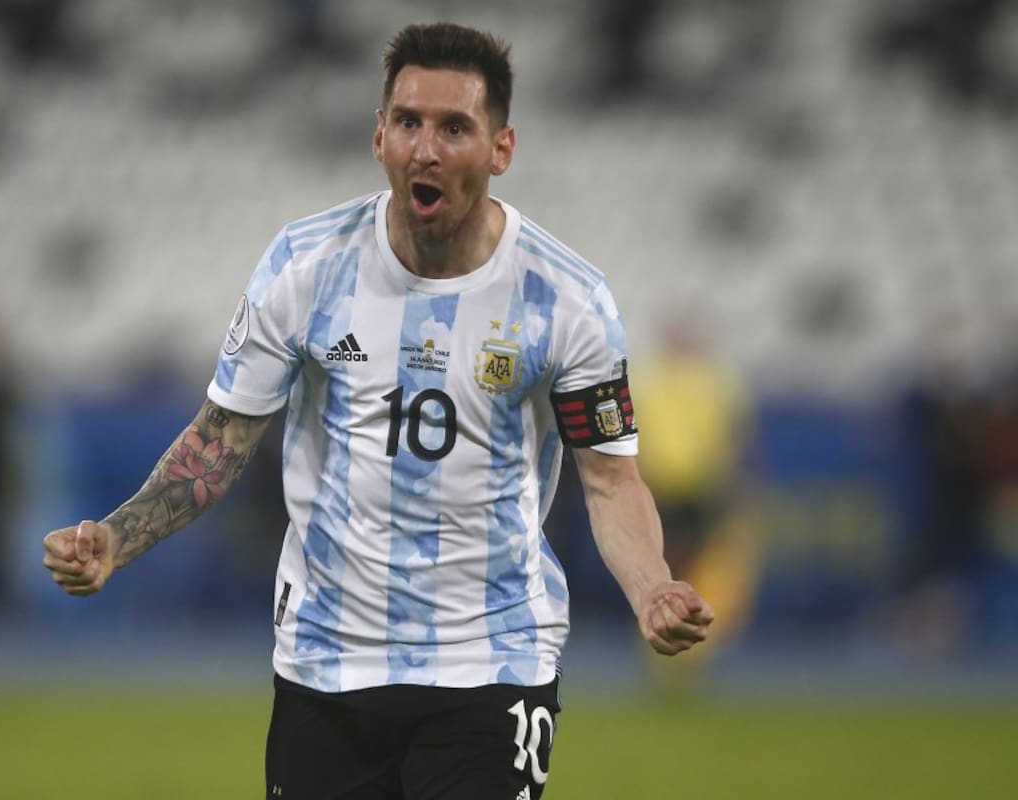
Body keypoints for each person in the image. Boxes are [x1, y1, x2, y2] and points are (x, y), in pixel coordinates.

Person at [43, 22, 714, 799]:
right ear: (379, 137)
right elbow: (220, 441)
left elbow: (610, 482)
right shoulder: (306, 267)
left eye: (454, 127)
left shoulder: (566, 300)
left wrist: (651, 586)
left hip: (491, 660)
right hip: (328, 659)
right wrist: (116, 540)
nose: (425, 148)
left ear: (501, 149)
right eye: (408, 122)